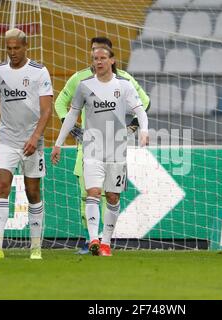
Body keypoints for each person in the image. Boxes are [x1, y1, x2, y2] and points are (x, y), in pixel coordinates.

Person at [55, 37, 150, 254]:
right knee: (92, 193)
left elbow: (141, 108)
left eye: (102, 58)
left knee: (113, 197)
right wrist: (59, 142)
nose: (98, 62)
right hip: (91, 149)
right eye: (95, 58)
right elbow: (71, 114)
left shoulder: (124, 84)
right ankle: (92, 240)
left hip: (116, 149)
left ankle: (106, 242)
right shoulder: (83, 84)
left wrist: (140, 129)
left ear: (111, 60)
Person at [0, 28, 53, 260]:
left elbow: (47, 110)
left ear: (25, 46)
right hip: (6, 140)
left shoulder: (39, 72)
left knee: (33, 193)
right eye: (8, 48)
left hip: (32, 142)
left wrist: (34, 137)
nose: (12, 53)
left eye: (16, 48)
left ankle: (35, 247)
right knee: (2, 186)